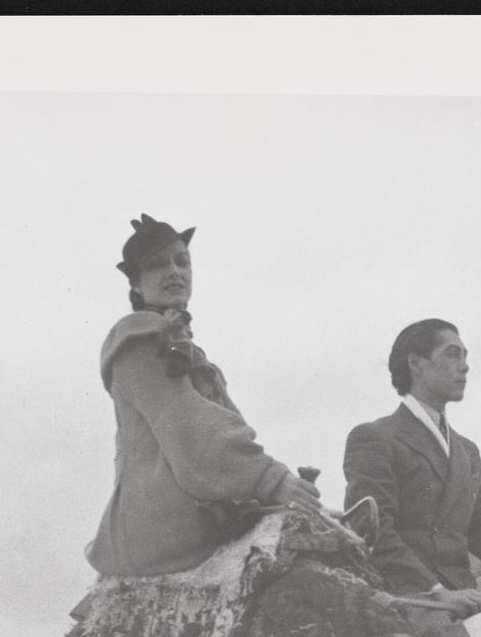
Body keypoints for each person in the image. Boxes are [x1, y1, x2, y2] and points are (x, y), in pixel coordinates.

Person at [86, 213, 321, 578]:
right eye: (157, 265)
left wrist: (268, 485)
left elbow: (225, 424)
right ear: (136, 285)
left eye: (182, 261)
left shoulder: (183, 345)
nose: (174, 272)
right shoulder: (136, 341)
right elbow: (190, 428)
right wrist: (273, 481)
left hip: (197, 516)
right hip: (157, 533)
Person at [342, 319, 481, 618]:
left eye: (465, 356)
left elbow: (480, 530)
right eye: (453, 354)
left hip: (462, 597)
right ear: (416, 363)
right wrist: (437, 592)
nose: (465, 366)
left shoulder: (466, 451)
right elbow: (374, 532)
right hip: (406, 600)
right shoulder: (375, 438)